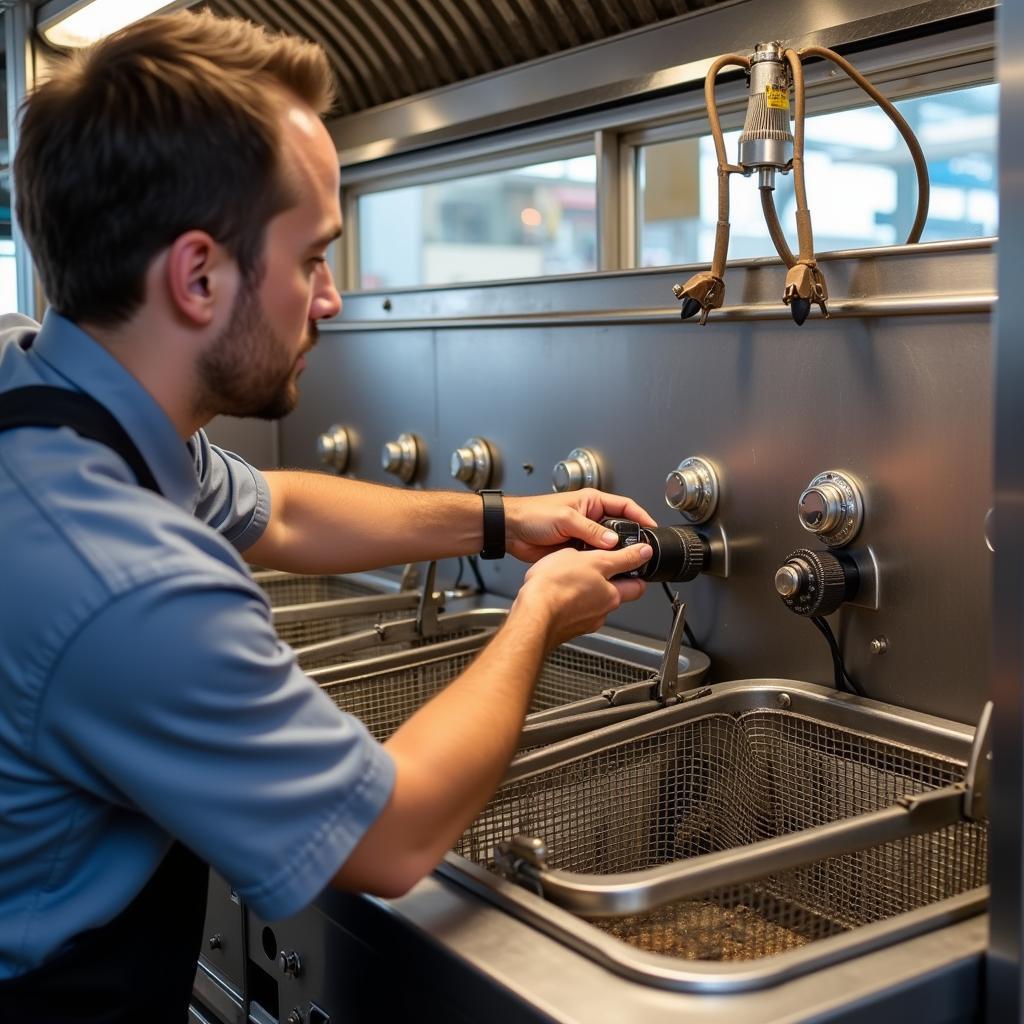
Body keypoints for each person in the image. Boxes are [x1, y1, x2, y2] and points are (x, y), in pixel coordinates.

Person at [0, 10, 657, 1021]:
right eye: (311, 257)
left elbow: (284, 511)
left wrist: (502, 519)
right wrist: (538, 612)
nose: (333, 299)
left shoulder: (53, 403)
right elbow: (388, 841)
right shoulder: (129, 579)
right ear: (198, 275)